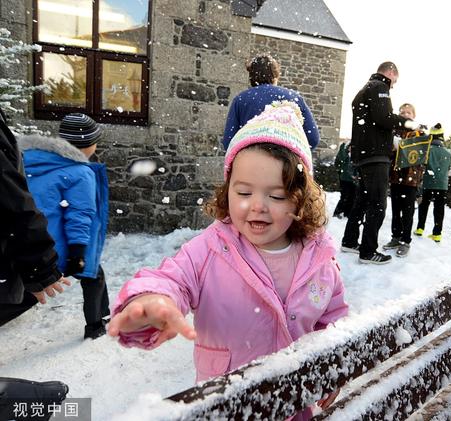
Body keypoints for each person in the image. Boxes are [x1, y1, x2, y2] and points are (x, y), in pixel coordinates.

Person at [108, 102, 348, 415]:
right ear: (227, 191)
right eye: (244, 192)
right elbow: (173, 278)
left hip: (293, 405)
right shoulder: (209, 250)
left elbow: (333, 320)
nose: (257, 206)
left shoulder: (318, 257)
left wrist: (331, 366)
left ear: (299, 198)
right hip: (227, 404)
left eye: (276, 196)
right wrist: (154, 300)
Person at [20, 113, 110, 339]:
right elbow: (80, 215)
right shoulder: (80, 171)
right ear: (88, 145)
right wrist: (78, 252)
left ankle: (105, 313)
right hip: (58, 246)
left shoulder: (31, 161)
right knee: (92, 274)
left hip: (29, 243)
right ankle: (96, 325)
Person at [341, 62, 419, 264]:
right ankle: (368, 251)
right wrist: (409, 123)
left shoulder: (365, 89)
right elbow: (383, 118)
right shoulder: (379, 87)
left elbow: (373, 120)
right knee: (377, 204)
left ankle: (349, 241)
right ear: (391, 73)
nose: (393, 85)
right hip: (375, 156)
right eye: (395, 80)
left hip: (364, 154)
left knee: (362, 201)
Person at [0, 107, 71, 326]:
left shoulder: (44, 165)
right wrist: (39, 264)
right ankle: (96, 323)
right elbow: (13, 200)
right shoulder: (81, 173)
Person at [222, 53, 320, 150]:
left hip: (251, 161)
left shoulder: (240, 100)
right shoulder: (293, 98)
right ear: (275, 75)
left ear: (251, 76)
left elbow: (229, 142)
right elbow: (313, 139)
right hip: (286, 161)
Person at [382, 103, 425, 257]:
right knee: (395, 210)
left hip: (411, 179)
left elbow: (417, 153)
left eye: (408, 112)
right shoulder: (394, 130)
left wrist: (400, 146)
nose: (405, 114)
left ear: (413, 115)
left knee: (407, 212)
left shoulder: (418, 132)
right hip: (395, 177)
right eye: (402, 112)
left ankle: (406, 241)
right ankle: (395, 237)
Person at [414, 123, 451, 242]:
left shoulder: (427, 150)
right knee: (439, 208)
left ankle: (420, 228)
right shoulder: (447, 153)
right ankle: (437, 233)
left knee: (424, 205)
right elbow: (448, 168)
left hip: (428, 182)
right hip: (442, 184)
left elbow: (421, 165)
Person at [332, 140, 356, 219]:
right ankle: (337, 212)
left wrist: (356, 176)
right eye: (351, 147)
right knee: (344, 197)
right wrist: (340, 172)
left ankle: (347, 213)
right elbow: (339, 161)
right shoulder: (344, 153)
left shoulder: (356, 155)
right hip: (344, 179)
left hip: (354, 180)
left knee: (352, 197)